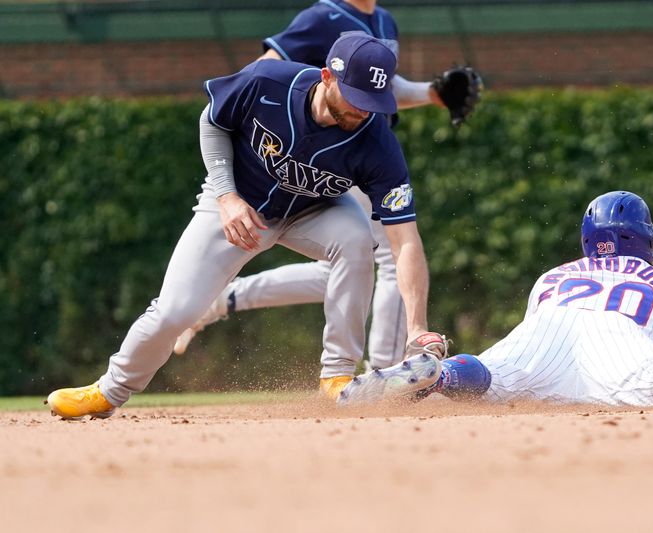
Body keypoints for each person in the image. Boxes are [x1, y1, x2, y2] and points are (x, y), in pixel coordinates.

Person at [46, 33, 448, 420]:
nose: (364, 110)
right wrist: (226, 196)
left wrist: (417, 328)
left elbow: (405, 240)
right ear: (327, 75)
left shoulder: (377, 143)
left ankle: (338, 375)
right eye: (356, 97)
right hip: (237, 203)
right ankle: (108, 391)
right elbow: (213, 121)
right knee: (173, 312)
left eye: (373, 101)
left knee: (358, 239)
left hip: (314, 210)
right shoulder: (266, 82)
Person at [172, 0, 480, 371]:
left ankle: (225, 299)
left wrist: (431, 94)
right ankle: (386, 367)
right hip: (324, 154)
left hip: (359, 157)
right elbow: (265, 70)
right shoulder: (322, 18)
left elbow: (380, 89)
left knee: (344, 270)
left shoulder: (383, 21)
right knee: (387, 256)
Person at [337, 191, 653, 410]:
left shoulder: (552, 276)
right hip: (621, 338)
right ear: (646, 241)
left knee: (495, 378)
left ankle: (439, 375)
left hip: (548, 326)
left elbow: (539, 338)